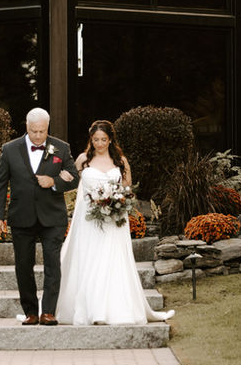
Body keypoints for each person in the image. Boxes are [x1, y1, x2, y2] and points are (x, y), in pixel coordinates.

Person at [56, 119, 174, 326]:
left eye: (103, 139)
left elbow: (127, 187)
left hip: (114, 219)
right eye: (95, 140)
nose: (99, 143)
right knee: (90, 259)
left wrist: (116, 201)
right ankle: (89, 309)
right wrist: (63, 177)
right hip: (90, 220)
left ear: (110, 140)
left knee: (112, 259)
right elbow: (73, 184)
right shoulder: (83, 160)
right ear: (91, 140)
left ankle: (114, 308)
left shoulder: (120, 161)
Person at [0, 108, 79, 325]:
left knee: (52, 264)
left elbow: (75, 178)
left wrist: (54, 182)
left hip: (52, 217)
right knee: (23, 265)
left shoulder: (61, 148)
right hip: (21, 217)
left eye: (42, 131)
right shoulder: (10, 150)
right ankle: (30, 312)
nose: (38, 136)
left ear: (47, 128)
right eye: (34, 131)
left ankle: (48, 311)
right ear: (27, 128)